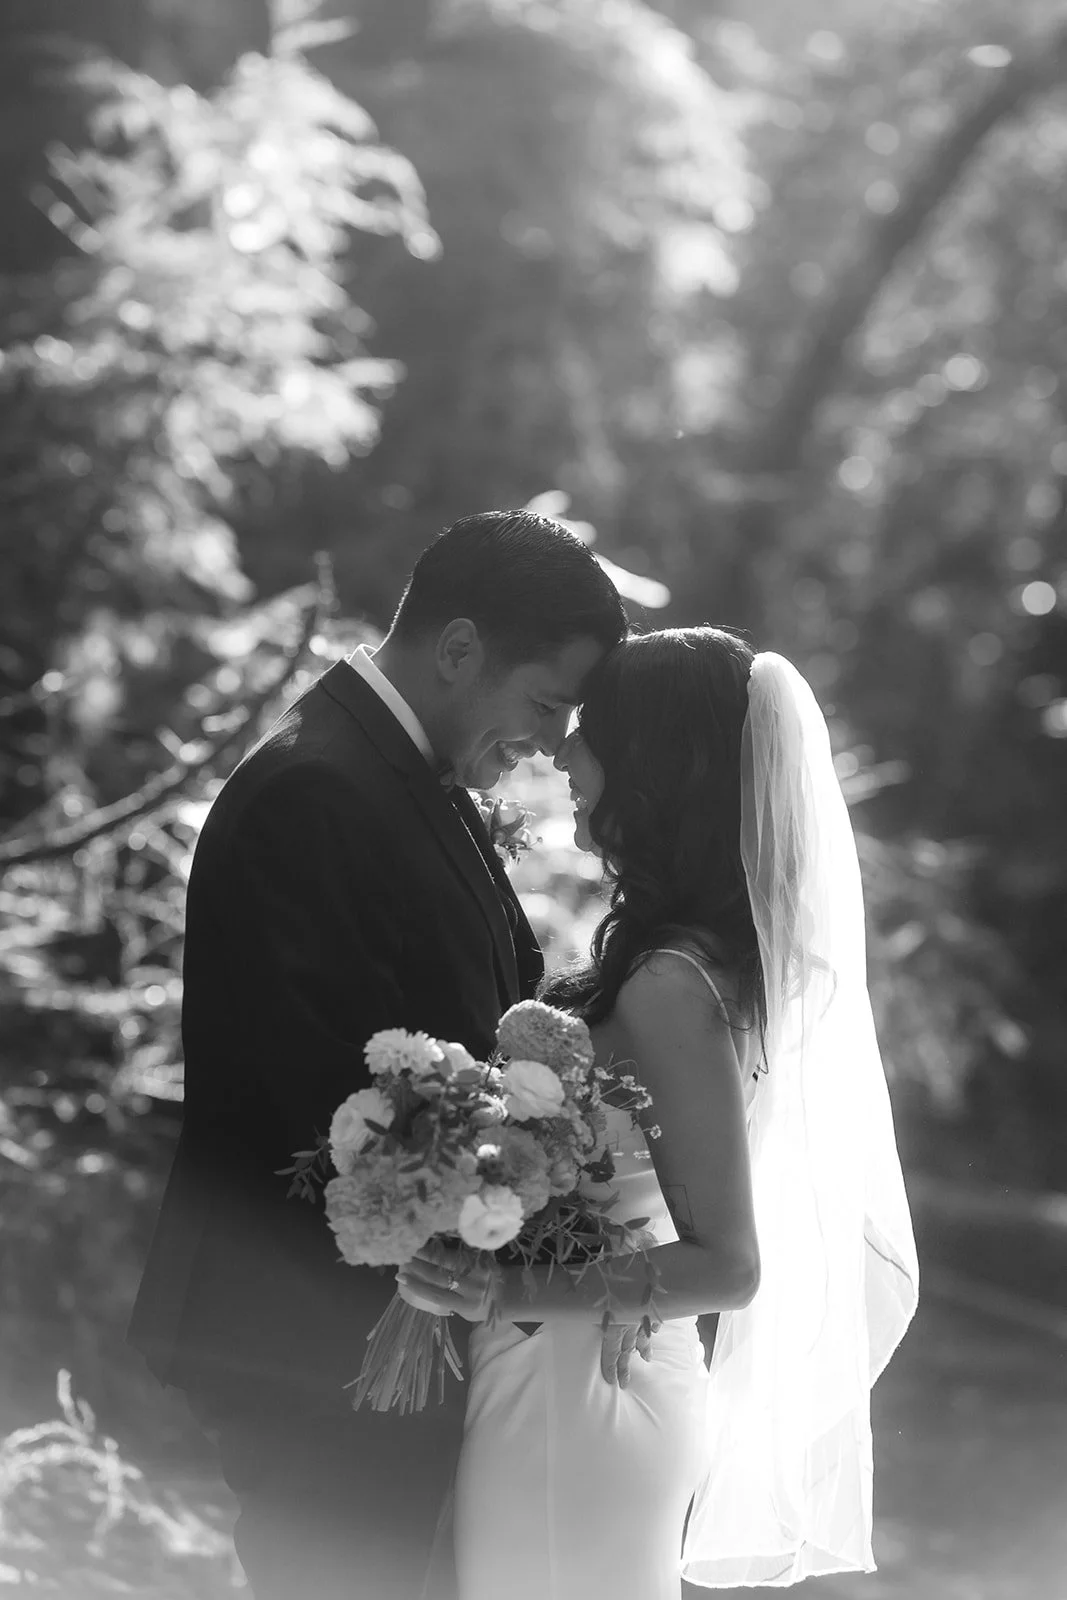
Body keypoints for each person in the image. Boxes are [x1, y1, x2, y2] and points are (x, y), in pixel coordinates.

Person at [126, 510, 628, 1600]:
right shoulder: (316, 789)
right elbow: (303, 1089)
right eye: (542, 705)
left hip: (391, 1323)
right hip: (317, 1331)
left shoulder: (408, 779)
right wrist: (489, 1208)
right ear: (456, 650)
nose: (545, 743)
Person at [399, 626, 920, 1599]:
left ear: (653, 764)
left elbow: (727, 1264)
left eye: (590, 731)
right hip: (586, 1366)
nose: (563, 752)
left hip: (578, 1383)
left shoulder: (670, 985)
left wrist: (493, 1290)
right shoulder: (699, 963)